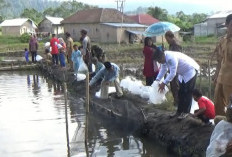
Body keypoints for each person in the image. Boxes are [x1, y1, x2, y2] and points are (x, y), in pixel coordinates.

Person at [153, 47, 199, 119]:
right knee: (181, 92)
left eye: (159, 60)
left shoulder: (171, 58)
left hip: (190, 71)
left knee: (188, 92)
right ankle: (179, 111)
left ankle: (186, 112)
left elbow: (173, 73)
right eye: (158, 61)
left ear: (162, 56)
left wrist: (164, 83)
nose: (159, 62)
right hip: (182, 73)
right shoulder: (164, 60)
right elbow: (163, 69)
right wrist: (157, 80)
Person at [213, 14, 232, 116]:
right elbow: (219, 60)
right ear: (226, 25)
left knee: (230, 107)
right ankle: (220, 126)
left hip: (230, 81)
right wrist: (216, 75)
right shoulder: (223, 41)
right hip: (221, 78)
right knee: (217, 104)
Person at [165, 31, 182, 106]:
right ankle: (176, 100)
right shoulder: (172, 45)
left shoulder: (175, 45)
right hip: (172, 67)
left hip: (176, 68)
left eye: (167, 38)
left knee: (175, 85)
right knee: (173, 85)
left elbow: (177, 57)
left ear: (170, 37)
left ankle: (178, 101)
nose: (166, 40)